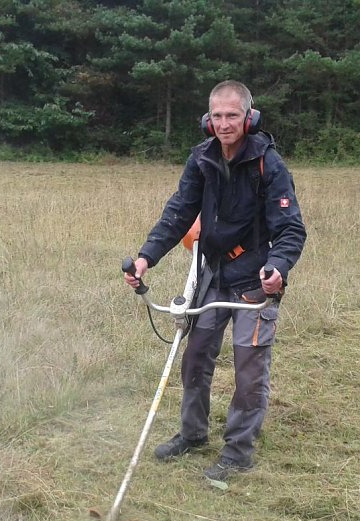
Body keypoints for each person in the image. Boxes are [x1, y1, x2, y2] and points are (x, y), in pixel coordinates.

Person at [124, 80, 306, 482]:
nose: (225, 124)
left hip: (254, 282)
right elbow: (178, 212)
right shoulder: (202, 159)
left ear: (249, 117)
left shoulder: (268, 164)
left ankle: (239, 451)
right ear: (208, 120)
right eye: (218, 116)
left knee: (248, 368)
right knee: (194, 357)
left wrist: (278, 268)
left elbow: (291, 229)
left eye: (233, 116)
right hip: (213, 275)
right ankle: (193, 434)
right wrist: (145, 257)